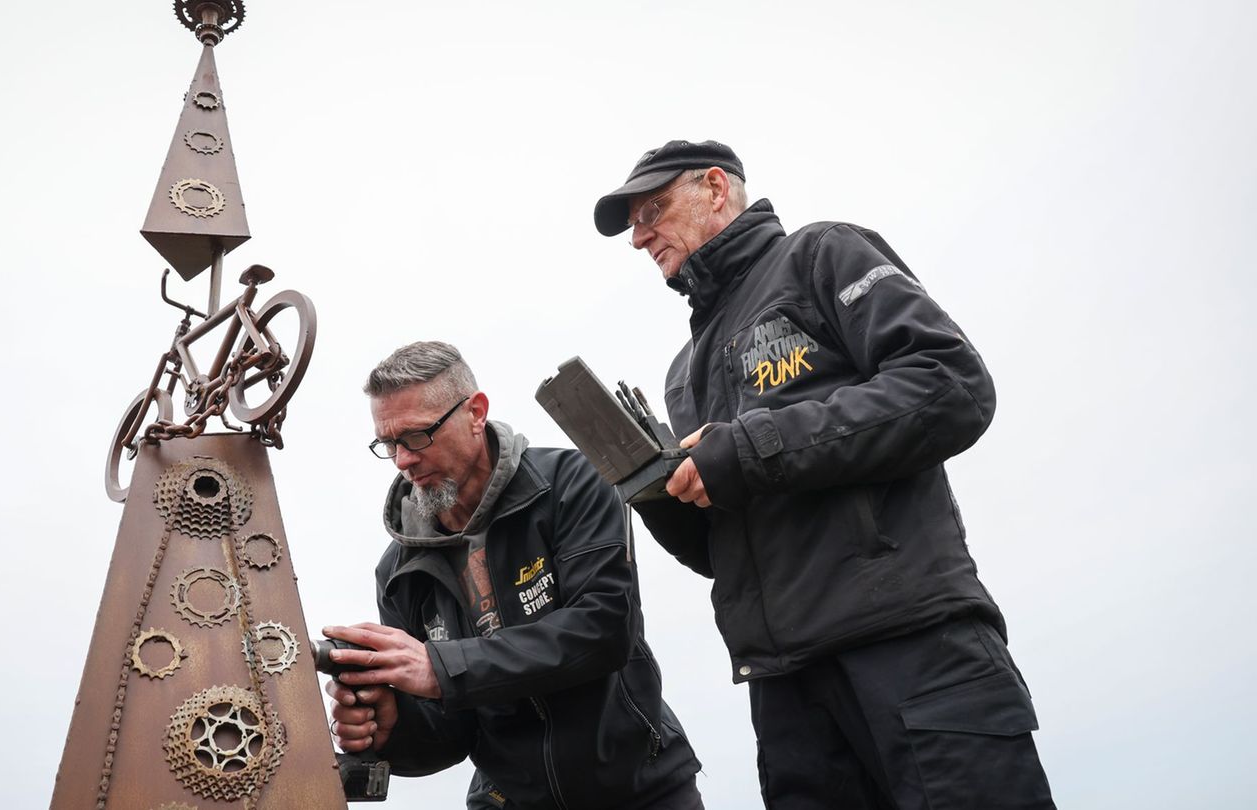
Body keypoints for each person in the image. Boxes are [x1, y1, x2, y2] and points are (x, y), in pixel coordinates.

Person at [592, 140, 1055, 808]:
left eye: (653, 210)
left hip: (914, 655)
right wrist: (658, 494)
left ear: (715, 188)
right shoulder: (683, 372)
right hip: (787, 699)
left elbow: (953, 387)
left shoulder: (820, 256)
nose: (640, 237)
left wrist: (749, 446)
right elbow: (722, 550)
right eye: (633, 224)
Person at [323, 341, 704, 810]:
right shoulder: (398, 571)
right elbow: (450, 734)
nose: (402, 460)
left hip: (642, 791)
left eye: (417, 436)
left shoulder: (571, 483)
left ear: (476, 412)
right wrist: (392, 727)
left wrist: (441, 668)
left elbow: (603, 630)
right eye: (389, 444)